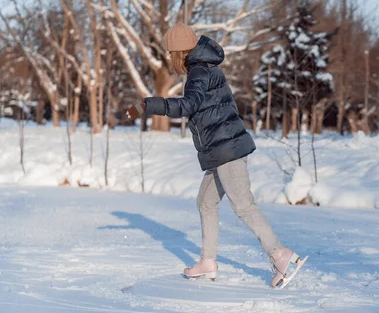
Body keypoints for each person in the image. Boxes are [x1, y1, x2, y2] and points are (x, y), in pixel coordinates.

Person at [125, 23, 302, 288]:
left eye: (170, 54)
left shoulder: (198, 71)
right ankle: (208, 262)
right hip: (220, 151)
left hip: (227, 151)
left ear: (178, 52)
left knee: (243, 205)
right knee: (206, 202)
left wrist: (149, 104)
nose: (169, 60)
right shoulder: (204, 67)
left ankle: (280, 254)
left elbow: (189, 105)